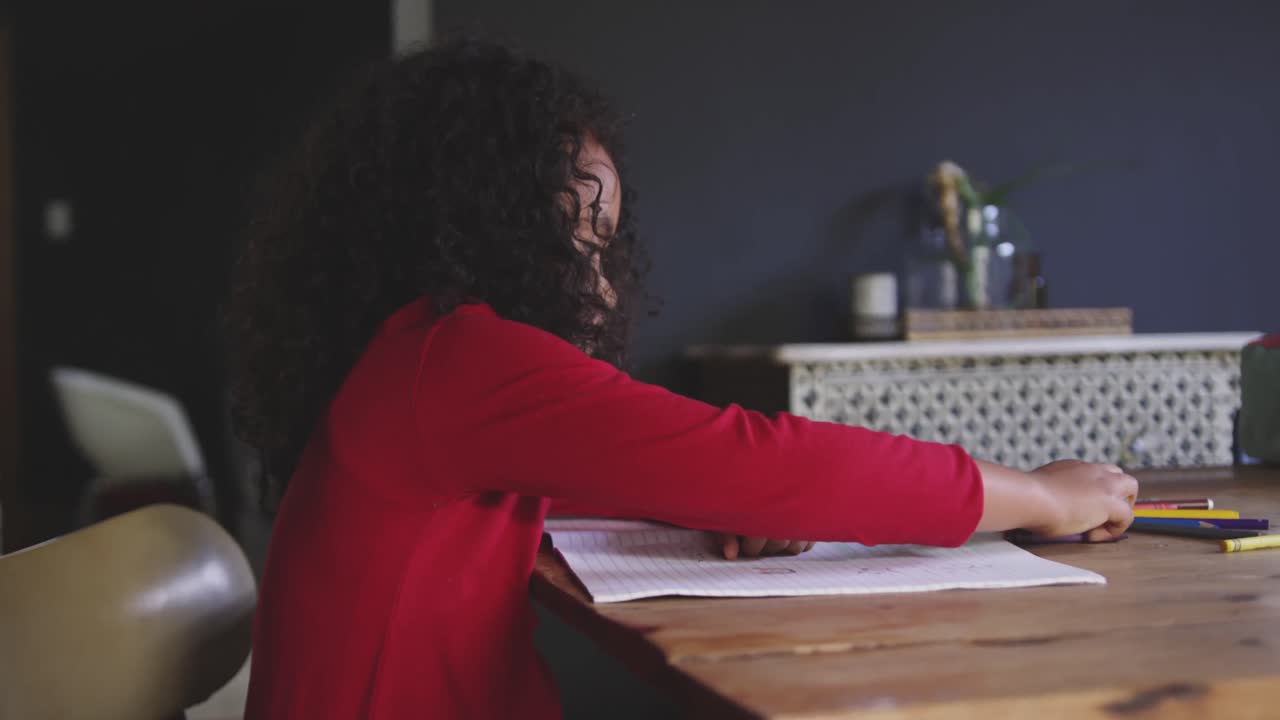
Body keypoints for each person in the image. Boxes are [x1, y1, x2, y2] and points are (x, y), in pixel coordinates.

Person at [228, 39, 1137, 719]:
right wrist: (1041, 496)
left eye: (604, 245)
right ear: (488, 233)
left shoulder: (412, 362)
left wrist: (704, 503)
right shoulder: (461, 360)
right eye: (576, 242)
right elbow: (763, 461)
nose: (600, 278)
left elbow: (646, 479)